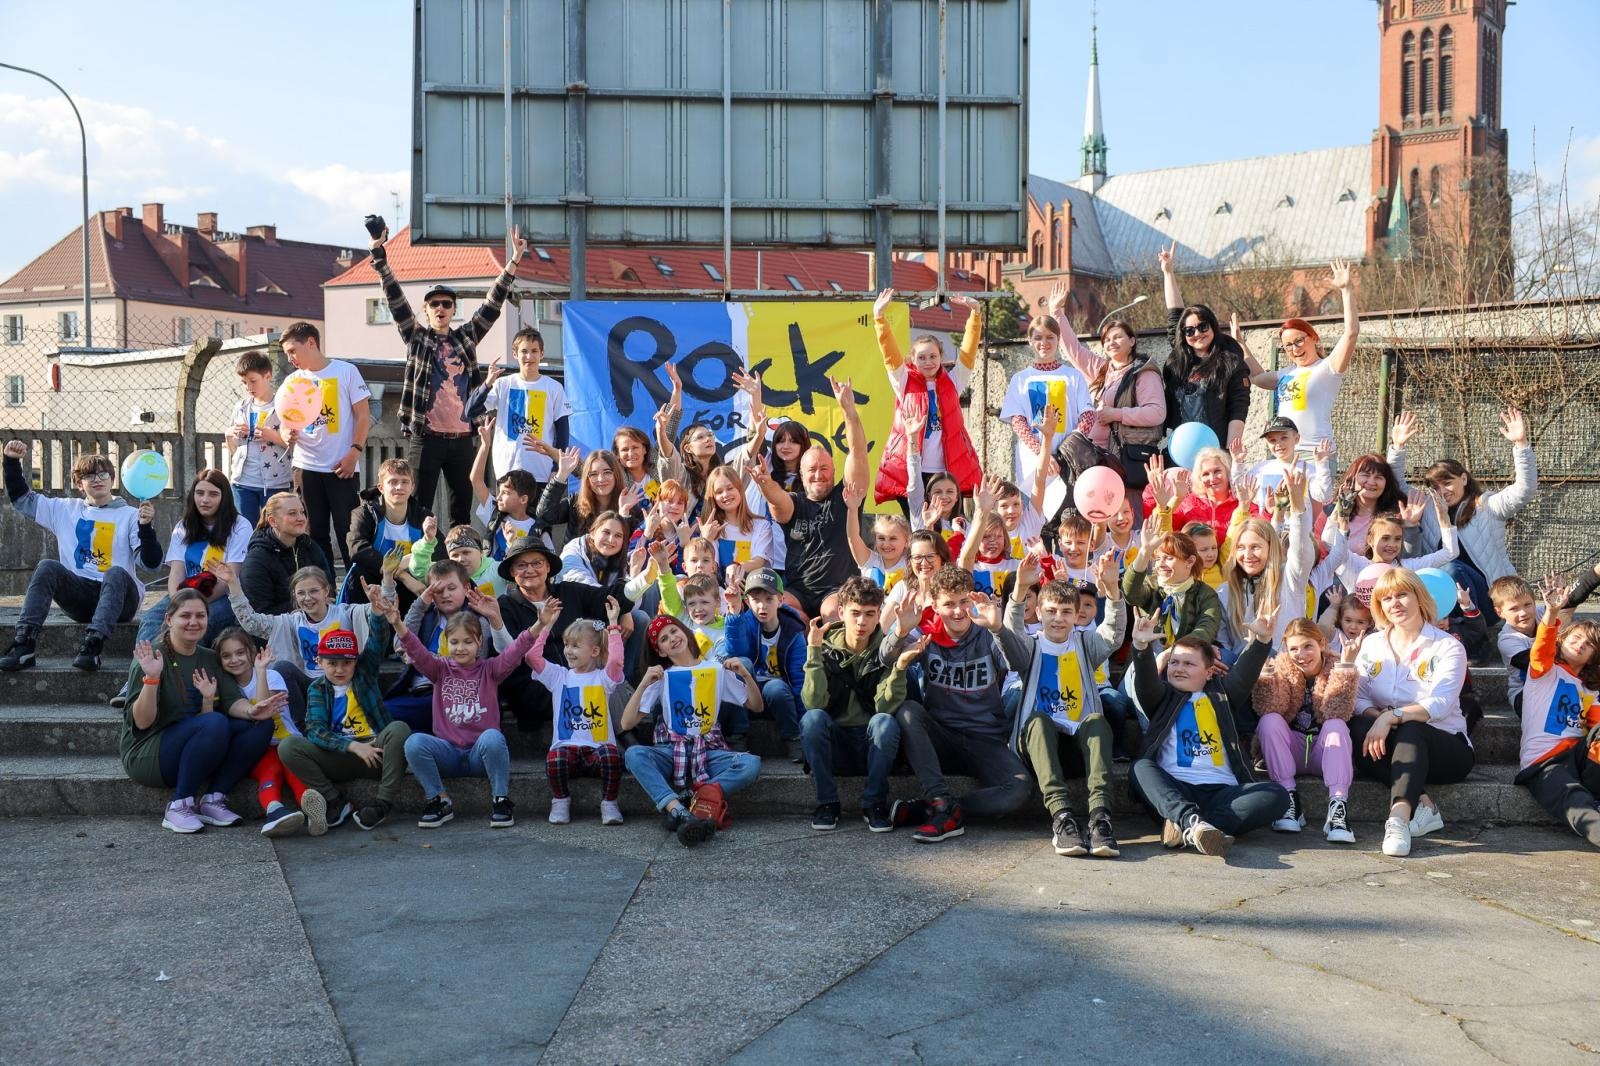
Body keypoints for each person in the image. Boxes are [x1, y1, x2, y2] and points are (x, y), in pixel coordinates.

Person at [369, 221, 527, 526]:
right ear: (426, 310)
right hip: (426, 437)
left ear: (453, 310)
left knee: (461, 507)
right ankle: (419, 562)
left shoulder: (465, 337)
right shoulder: (417, 337)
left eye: (446, 304)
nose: (440, 308)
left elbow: (492, 304)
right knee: (419, 505)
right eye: (434, 304)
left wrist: (514, 260)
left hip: (463, 436)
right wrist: (379, 257)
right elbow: (394, 297)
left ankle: (458, 560)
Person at [881, 564, 1034, 843]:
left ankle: (940, 809)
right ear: (936, 607)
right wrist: (901, 632)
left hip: (984, 737)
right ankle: (938, 798)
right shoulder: (927, 633)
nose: (958, 611)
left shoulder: (987, 632)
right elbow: (885, 659)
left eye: (964, 601)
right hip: (942, 734)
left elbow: (1021, 664)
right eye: (948, 604)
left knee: (1019, 789)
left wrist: (999, 628)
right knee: (907, 711)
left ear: (972, 599)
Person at [1127, 600, 1288, 857]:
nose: (1178, 669)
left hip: (1223, 791)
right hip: (1175, 787)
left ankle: (1185, 826)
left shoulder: (1223, 695)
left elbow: (1245, 673)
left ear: (1209, 671)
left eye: (1188, 664)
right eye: (1174, 662)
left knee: (1277, 795)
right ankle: (1190, 821)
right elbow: (1146, 683)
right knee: (1140, 767)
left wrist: (1262, 640)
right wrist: (1141, 647)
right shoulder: (1161, 697)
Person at [120, 591, 285, 833]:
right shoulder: (152, 658)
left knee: (261, 724)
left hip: (197, 744)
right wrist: (152, 679)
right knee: (214, 722)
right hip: (150, 752)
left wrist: (252, 710)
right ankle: (179, 804)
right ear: (168, 619)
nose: (193, 622)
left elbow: (231, 702)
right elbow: (142, 723)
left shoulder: (209, 657)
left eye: (200, 615)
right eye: (185, 615)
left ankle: (214, 799)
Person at [371, 585, 532, 830]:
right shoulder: (439, 669)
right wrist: (397, 623)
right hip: (448, 754)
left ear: (479, 641)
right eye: (454, 642)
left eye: (468, 641)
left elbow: (515, 650)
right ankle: (438, 799)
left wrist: (539, 625)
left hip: (480, 754)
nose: (461, 647)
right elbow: (417, 650)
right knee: (413, 742)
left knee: (493, 737)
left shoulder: (491, 669)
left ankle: (500, 799)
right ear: (446, 643)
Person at [1, 440, 161, 672]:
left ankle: (92, 647)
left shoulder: (131, 515)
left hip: (121, 599)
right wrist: (12, 461)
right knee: (47, 566)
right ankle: (24, 644)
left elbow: (151, 564)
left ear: (113, 480)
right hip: (81, 597)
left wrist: (146, 528)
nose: (97, 479)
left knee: (115, 572)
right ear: (79, 483)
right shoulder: (64, 509)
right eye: (89, 476)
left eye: (103, 474)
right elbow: (22, 500)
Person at [1010, 552, 1127, 859]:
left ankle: (1100, 819)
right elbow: (1010, 635)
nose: (1058, 618)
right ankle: (1062, 817)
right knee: (1038, 721)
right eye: (1050, 611)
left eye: (1065, 611)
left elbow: (1114, 635)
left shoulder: (1086, 645)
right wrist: (1020, 590)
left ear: (1078, 616)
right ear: (1040, 612)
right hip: (1039, 748)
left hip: (1076, 745)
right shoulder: (1030, 645)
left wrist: (1113, 591)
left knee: (1098, 721)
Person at [1349, 568, 1472, 858]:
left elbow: (1440, 704)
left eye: (1402, 594)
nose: (1395, 603)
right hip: (1393, 742)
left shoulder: (1448, 646)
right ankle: (1424, 803)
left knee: (1411, 729)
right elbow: (1358, 697)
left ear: (1419, 597)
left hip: (1446, 747)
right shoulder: (1372, 644)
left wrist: (1391, 716)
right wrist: (1374, 714)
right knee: (1353, 728)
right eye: (1387, 598)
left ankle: (1398, 820)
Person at [111, 470, 253, 708]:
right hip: (184, 594)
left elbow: (231, 576)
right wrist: (179, 602)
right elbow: (176, 572)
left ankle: (169, 686)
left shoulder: (240, 526)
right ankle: (135, 682)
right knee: (152, 619)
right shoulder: (183, 526)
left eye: (212, 494)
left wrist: (191, 608)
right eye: (199, 493)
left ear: (224, 497)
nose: (205, 500)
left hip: (222, 597)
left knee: (191, 624)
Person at [621, 617, 764, 847]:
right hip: (671, 749)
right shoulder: (662, 677)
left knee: (751, 764)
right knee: (634, 755)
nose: (672, 639)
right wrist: (643, 684)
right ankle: (677, 808)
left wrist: (745, 675)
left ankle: (695, 801)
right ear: (661, 650)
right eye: (664, 639)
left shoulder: (715, 670)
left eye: (674, 631)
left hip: (707, 751)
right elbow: (627, 723)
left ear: (686, 633)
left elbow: (756, 706)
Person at [276, 601, 412, 834]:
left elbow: (377, 643)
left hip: (375, 753)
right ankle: (335, 801)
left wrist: (378, 614)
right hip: (338, 756)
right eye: (332, 663)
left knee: (399, 729)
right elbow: (315, 730)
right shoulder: (317, 688)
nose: (339, 670)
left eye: (346, 663)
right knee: (288, 746)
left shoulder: (364, 675)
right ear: (319, 662)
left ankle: (382, 805)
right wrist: (353, 747)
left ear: (356, 662)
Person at [1390, 408, 1538, 618]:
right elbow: (1396, 484)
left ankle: (1469, 625)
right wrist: (1398, 447)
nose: (1442, 491)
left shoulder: (1487, 506)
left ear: (1464, 479)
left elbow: (1525, 489)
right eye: (1435, 486)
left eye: (1448, 483)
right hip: (1442, 600)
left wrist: (1521, 445)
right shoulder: (1426, 507)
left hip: (1491, 599)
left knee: (1452, 568)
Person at [753, 377, 869, 620]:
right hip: (798, 590)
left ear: (834, 471)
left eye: (824, 468)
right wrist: (765, 483)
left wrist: (849, 411)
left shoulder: (847, 496)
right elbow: (777, 501)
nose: (819, 475)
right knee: (781, 610)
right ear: (802, 475)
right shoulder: (795, 502)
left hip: (837, 590)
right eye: (812, 470)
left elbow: (858, 452)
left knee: (832, 612)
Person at [219, 560, 386, 718]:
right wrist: (233, 584)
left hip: (345, 681)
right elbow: (251, 623)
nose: (307, 598)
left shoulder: (347, 613)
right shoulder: (291, 621)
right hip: (309, 686)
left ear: (326, 591)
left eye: (313, 591)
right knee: (283, 668)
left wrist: (388, 580)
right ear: (294, 595)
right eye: (301, 593)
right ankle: (301, 727)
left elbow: (384, 608)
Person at [799, 577, 901, 832]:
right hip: (837, 745)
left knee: (885, 722)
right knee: (812, 720)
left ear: (879, 614)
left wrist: (898, 668)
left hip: (871, 745)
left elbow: (886, 708)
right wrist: (813, 651)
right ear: (842, 613)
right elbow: (813, 702)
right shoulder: (823, 647)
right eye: (855, 613)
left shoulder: (885, 650)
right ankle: (827, 803)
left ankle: (874, 802)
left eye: (869, 614)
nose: (861, 622)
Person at [871, 288, 983, 506]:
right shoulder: (903, 381)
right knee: (917, 530)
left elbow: (968, 353)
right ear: (912, 359)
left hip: (945, 471)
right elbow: (890, 354)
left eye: (933, 356)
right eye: (921, 357)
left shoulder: (953, 381)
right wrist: (879, 318)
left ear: (941, 357)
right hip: (913, 469)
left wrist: (975, 315)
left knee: (947, 532)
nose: (928, 361)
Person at [1252, 619, 1360, 843]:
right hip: (1291, 750)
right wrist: (1265, 672)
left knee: (1337, 725)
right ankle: (1288, 799)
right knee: (1269, 721)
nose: (1301, 655)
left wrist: (1346, 667)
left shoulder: (1337, 665)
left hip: (1324, 752)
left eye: (1307, 646)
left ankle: (1338, 810)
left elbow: (1337, 711)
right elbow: (1270, 707)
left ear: (1321, 643)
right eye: (1293, 648)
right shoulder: (1281, 667)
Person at [1513, 575, 1600, 850]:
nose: (1579, 644)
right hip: (1546, 762)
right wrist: (1551, 612)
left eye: (1588, 645)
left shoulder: (1591, 690)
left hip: (1580, 757)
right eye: (1575, 638)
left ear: (1593, 659)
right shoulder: (1544, 672)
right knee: (1573, 799)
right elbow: (1541, 649)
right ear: (1563, 640)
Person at [524, 595, 628, 825]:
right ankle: (560, 800)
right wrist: (546, 624)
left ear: (593, 651)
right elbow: (531, 656)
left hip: (597, 751)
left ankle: (609, 803)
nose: (568, 651)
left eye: (575, 646)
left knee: (612, 756)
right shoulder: (559, 676)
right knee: (554, 759)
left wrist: (612, 626)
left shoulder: (603, 678)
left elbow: (616, 661)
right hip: (567, 749)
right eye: (566, 644)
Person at [1045, 282, 1166, 477]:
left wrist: (1116, 414)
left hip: (1123, 459)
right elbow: (1073, 350)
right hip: (1092, 457)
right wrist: (1056, 312)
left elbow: (1157, 413)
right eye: (1107, 340)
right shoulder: (1102, 369)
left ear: (1132, 341)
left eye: (1117, 337)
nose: (1111, 343)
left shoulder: (1144, 373)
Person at [279, 321, 371, 572]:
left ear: (311, 343)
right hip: (306, 467)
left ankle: (355, 592)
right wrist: (287, 433)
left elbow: (363, 415)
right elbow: (284, 422)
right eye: (287, 354)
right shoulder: (292, 381)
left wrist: (355, 451)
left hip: (342, 467)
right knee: (312, 534)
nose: (290, 359)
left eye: (292, 351)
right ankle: (322, 590)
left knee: (348, 533)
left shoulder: (346, 371)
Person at [494, 539, 610, 737]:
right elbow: (511, 655)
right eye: (521, 565)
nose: (529, 570)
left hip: (582, 675)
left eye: (537, 563)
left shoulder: (569, 591)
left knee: (609, 683)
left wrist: (623, 614)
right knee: (586, 694)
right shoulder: (505, 605)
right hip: (534, 684)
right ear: (513, 572)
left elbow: (610, 597)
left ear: (548, 567)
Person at [1244, 261, 1360, 458]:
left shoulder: (1327, 368)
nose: (1294, 348)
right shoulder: (1285, 374)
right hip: (1285, 453)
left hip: (1316, 453)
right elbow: (1256, 377)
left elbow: (1351, 332)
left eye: (1299, 341)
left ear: (1313, 338)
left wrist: (1346, 290)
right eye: (1288, 345)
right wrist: (1240, 342)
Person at [211, 627, 308, 837]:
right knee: (271, 769)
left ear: (251, 652)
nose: (234, 660)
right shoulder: (227, 689)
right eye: (226, 656)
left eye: (239, 653)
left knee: (290, 765)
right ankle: (275, 810)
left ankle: (311, 806)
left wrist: (261, 671)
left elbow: (265, 711)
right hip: (258, 749)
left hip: (286, 742)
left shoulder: (272, 675)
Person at [1157, 243, 1251, 452]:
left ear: (1213, 326)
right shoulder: (1181, 357)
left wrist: (1231, 448)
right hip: (1180, 450)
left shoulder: (1230, 360)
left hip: (1215, 449)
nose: (1197, 333)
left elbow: (1239, 406)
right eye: (1189, 331)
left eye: (1202, 326)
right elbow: (1175, 315)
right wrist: (1168, 272)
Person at [469, 325, 570, 493]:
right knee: (507, 520)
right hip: (507, 472)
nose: (529, 356)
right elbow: (470, 411)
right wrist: (487, 383)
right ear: (515, 354)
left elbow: (563, 432)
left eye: (534, 351)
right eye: (524, 351)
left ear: (542, 354)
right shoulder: (503, 384)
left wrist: (556, 467)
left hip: (542, 473)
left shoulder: (554, 387)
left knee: (538, 519)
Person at [998, 308, 1092, 486]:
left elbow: (1088, 416)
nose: (1044, 342)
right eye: (1038, 337)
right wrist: (1043, 454)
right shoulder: (1020, 379)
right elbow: (1018, 422)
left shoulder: (1073, 376)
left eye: (1050, 337)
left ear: (1058, 339)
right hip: (1032, 462)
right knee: (1033, 510)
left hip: (1068, 461)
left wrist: (1066, 451)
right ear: (1029, 341)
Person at [722, 568, 808, 760]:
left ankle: (793, 738)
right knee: (739, 663)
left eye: (769, 599)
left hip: (778, 698)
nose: (763, 606)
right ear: (747, 601)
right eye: (756, 600)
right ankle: (737, 734)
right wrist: (734, 613)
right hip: (748, 696)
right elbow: (737, 654)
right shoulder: (743, 622)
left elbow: (799, 679)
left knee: (776, 687)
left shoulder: (793, 631)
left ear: (781, 600)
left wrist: (804, 725)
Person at [346, 457, 432, 604]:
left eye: (405, 482)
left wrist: (412, 562)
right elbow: (357, 549)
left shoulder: (424, 516)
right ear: (381, 487)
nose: (399, 487)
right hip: (375, 583)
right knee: (359, 572)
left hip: (412, 587)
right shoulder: (364, 513)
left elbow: (440, 552)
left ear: (412, 487)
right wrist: (403, 576)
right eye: (393, 482)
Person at [226, 350, 292, 527]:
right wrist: (233, 432)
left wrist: (274, 437)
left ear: (268, 376)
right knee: (244, 529)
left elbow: (295, 445)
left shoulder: (283, 406)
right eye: (244, 383)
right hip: (242, 481)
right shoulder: (241, 407)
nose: (249, 387)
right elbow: (231, 443)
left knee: (275, 529)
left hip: (275, 481)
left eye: (253, 381)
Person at [239, 491, 333, 615]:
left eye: (302, 512)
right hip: (277, 628)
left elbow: (328, 587)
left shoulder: (310, 546)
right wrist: (306, 606)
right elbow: (260, 612)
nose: (301, 518)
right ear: (273, 521)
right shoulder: (257, 559)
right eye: (292, 513)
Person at [537, 447, 643, 543]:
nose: (600, 479)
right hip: (575, 563)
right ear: (587, 479)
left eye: (607, 472)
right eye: (593, 474)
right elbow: (545, 515)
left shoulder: (631, 508)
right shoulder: (575, 503)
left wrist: (624, 515)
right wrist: (561, 475)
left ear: (616, 475)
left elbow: (630, 546)